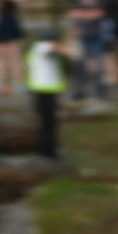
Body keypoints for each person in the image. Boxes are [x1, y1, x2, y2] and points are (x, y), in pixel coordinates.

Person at [25, 28, 70, 159]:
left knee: (46, 123)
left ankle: (45, 150)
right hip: (44, 92)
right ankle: (49, 152)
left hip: (42, 91)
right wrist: (68, 47)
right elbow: (58, 50)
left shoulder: (35, 48)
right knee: (48, 124)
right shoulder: (42, 47)